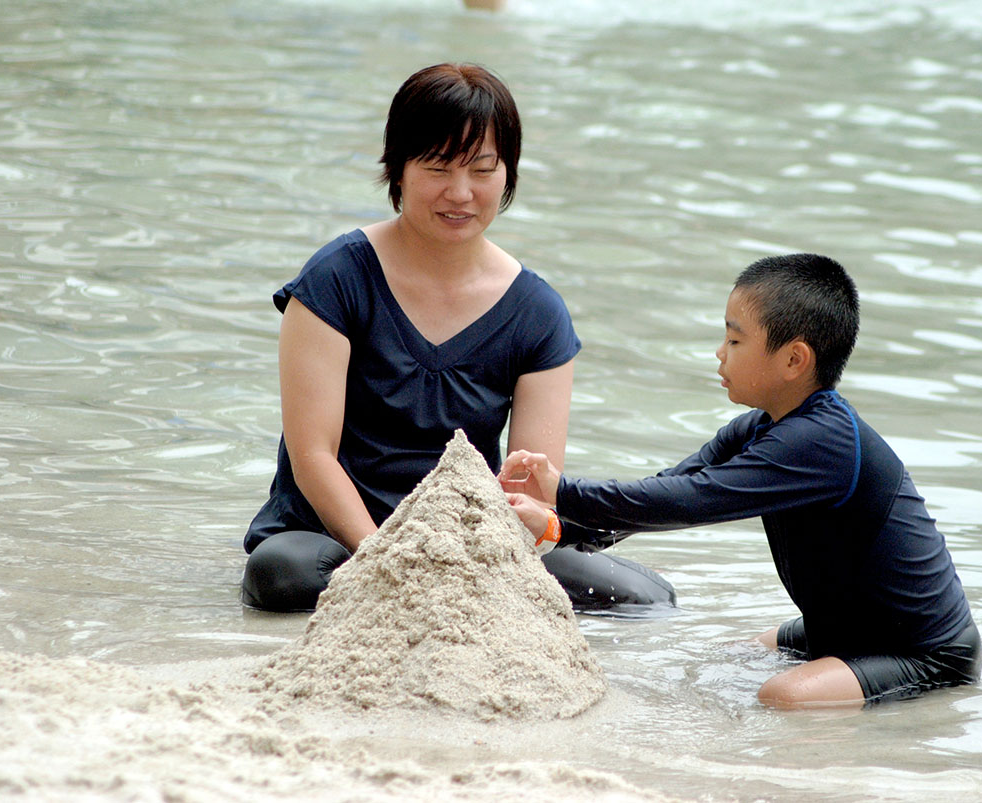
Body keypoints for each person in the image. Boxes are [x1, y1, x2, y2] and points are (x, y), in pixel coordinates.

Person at [241, 63, 673, 612]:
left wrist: (486, 551)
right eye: (438, 166)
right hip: (336, 540)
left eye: (482, 169)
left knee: (641, 598)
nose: (461, 192)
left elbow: (529, 482)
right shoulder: (336, 279)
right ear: (397, 169)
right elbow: (313, 455)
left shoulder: (537, 312)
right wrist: (384, 556)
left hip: (465, 545)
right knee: (283, 576)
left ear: (508, 175)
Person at [500, 254, 981, 708]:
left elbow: (694, 500)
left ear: (794, 360)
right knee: (731, 657)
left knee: (783, 697)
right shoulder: (763, 425)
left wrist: (565, 490)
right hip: (835, 632)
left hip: (924, 651)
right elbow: (674, 484)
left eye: (735, 340)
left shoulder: (822, 443)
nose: (719, 352)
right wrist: (558, 527)